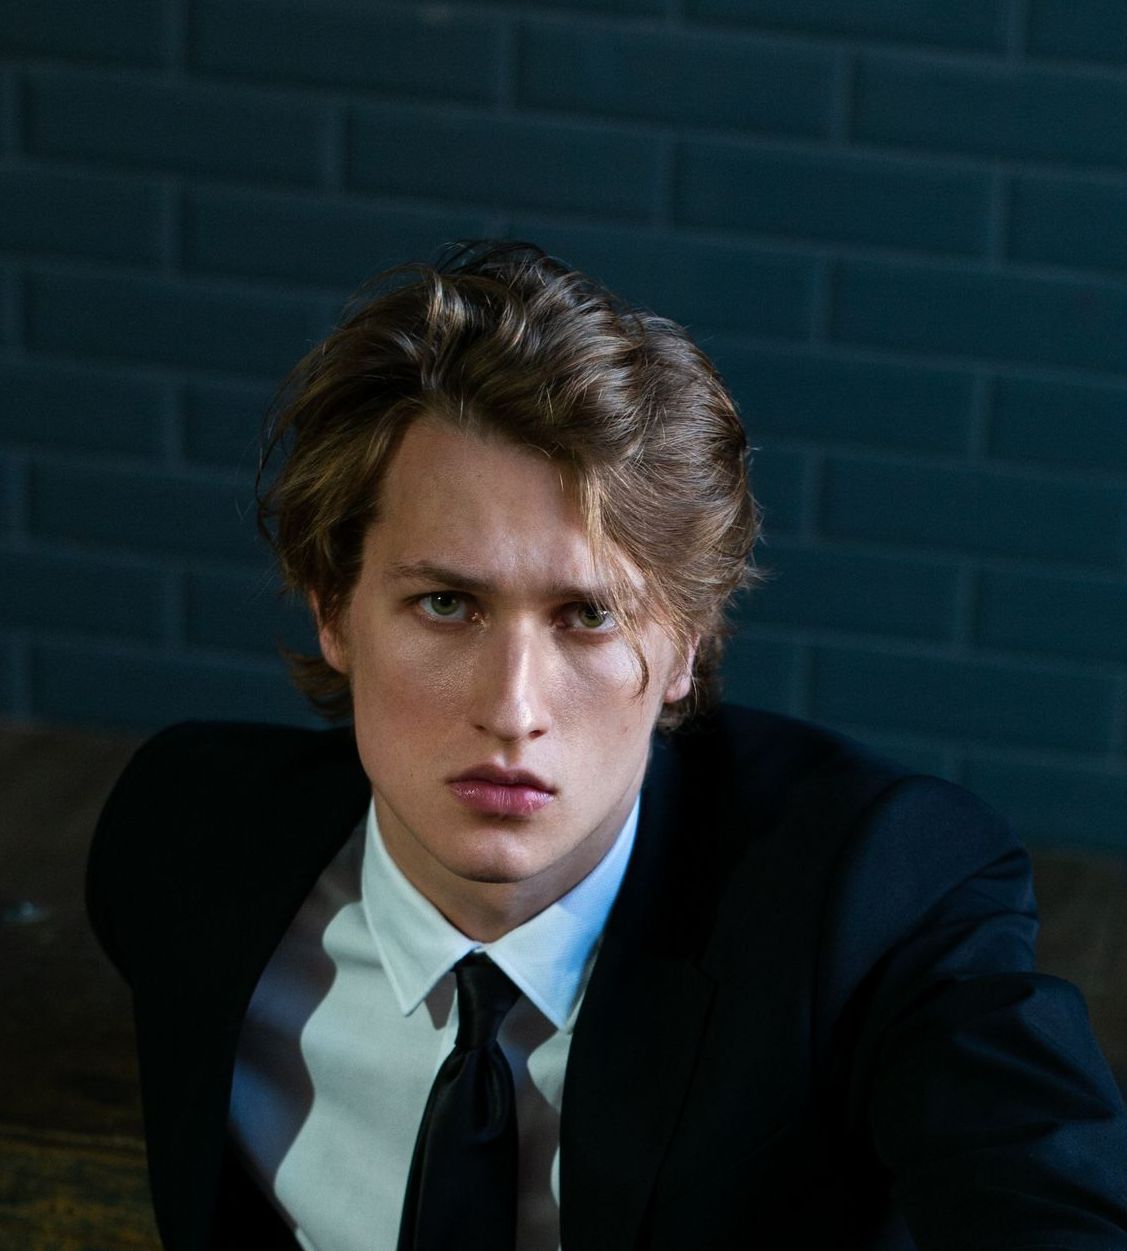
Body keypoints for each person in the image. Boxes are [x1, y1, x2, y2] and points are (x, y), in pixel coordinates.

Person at [87, 242, 1127, 1251]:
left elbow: (1040, 1189)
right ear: (332, 609)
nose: (512, 708)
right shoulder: (181, 842)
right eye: (446, 603)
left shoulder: (875, 902)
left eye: (587, 616)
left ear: (685, 648)